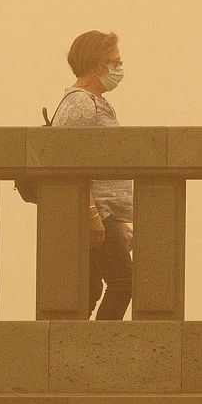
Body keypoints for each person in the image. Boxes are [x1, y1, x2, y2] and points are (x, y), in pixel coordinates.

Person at [49, 29, 133, 320]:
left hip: (104, 213)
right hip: (96, 212)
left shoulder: (94, 101)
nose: (119, 69)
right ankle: (99, 350)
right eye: (115, 62)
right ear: (98, 65)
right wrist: (92, 212)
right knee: (122, 283)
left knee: (89, 288)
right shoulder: (80, 104)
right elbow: (66, 164)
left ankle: (76, 349)